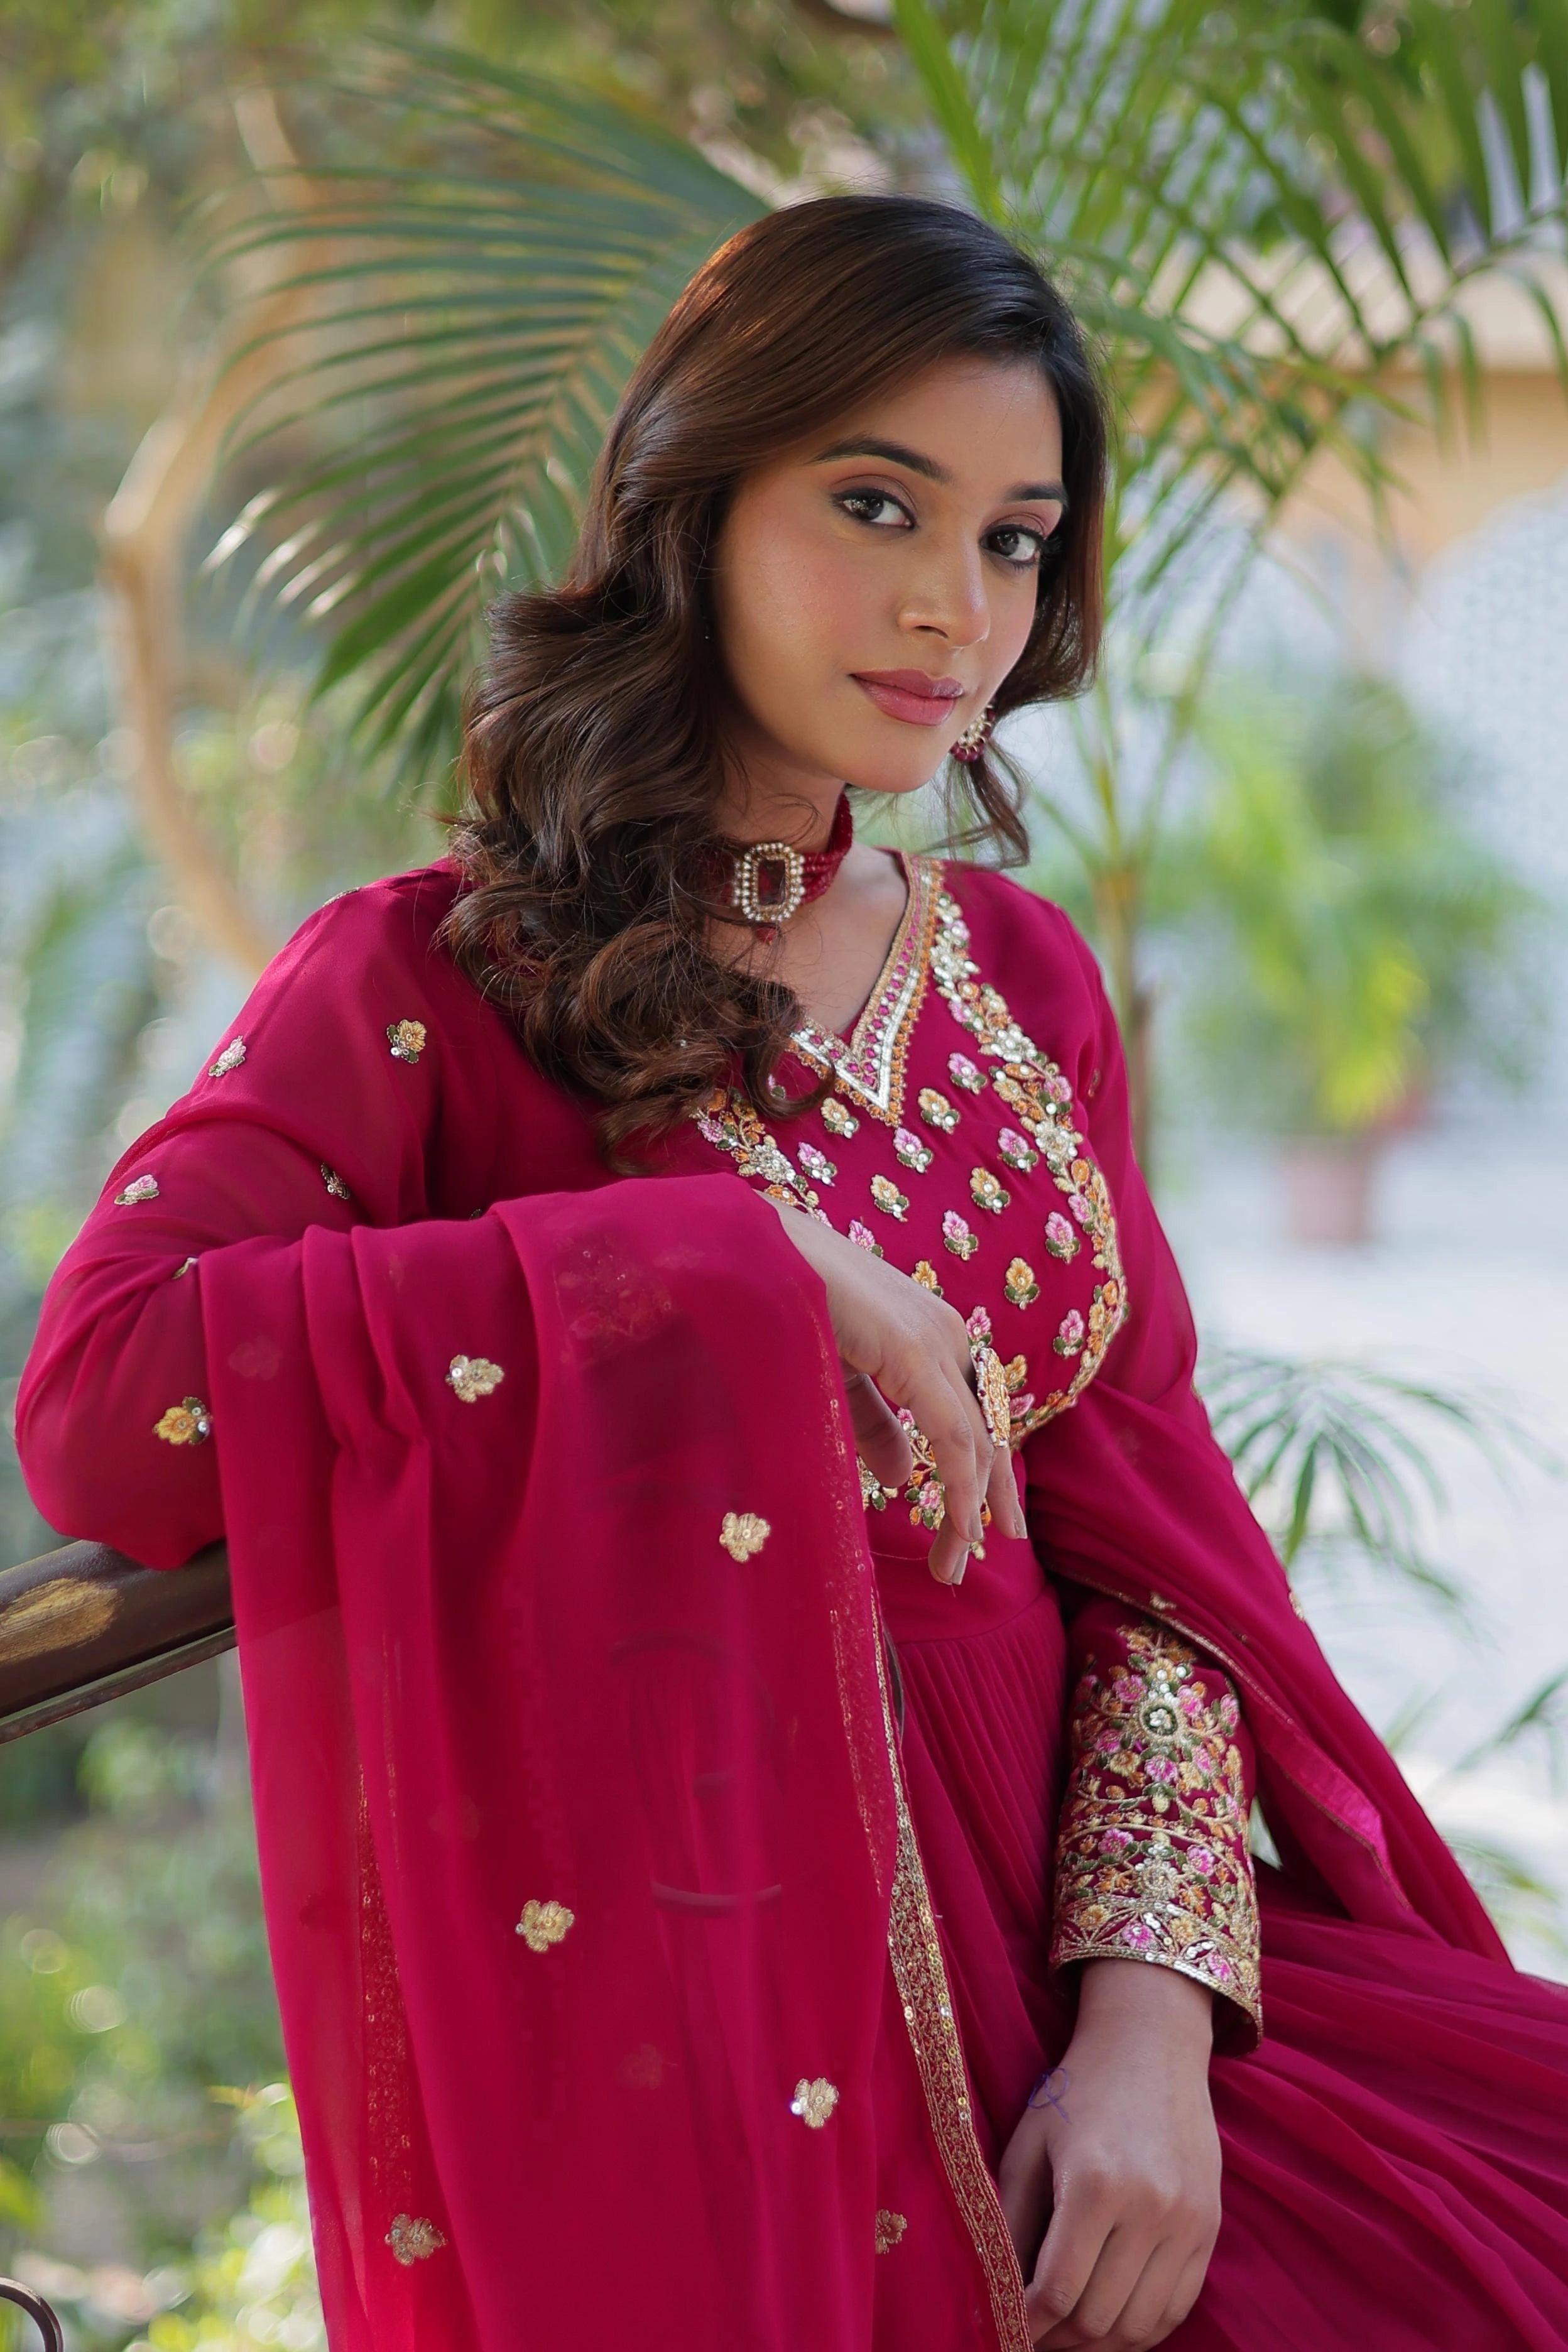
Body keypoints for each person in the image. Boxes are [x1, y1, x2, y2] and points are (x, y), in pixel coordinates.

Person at [16, 195, 1568, 2352]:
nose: (958, 605)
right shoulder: (424, 984)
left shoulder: (1021, 981)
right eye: (875, 504)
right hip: (707, 2039)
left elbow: (1163, 1557)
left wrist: (1149, 2028)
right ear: (692, 504)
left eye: (1019, 537)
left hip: (1090, 2004)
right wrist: (705, 1264)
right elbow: (108, 1398)